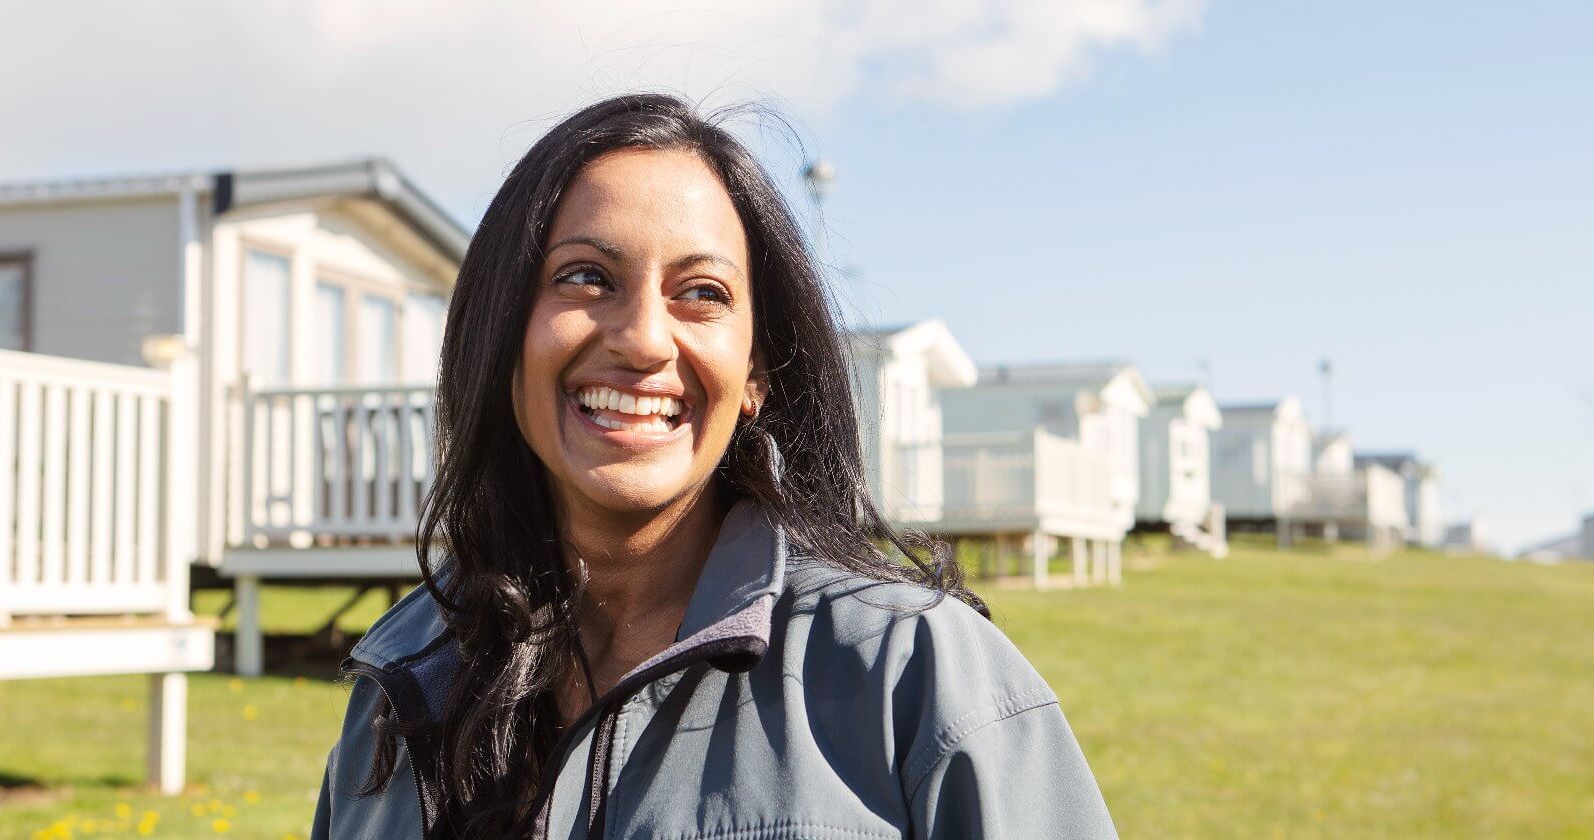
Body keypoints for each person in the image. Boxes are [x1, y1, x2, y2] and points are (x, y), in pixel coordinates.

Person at [311, 93, 1115, 839]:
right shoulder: (403, 681)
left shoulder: (914, 673)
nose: (644, 340)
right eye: (586, 276)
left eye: (700, 293)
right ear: (502, 334)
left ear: (757, 372)